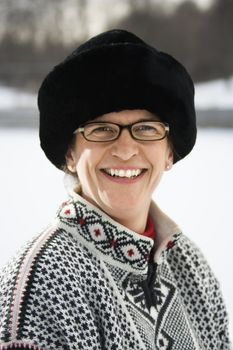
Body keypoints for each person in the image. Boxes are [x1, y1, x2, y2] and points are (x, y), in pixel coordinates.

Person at [0, 29, 231, 350]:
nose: (125, 149)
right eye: (101, 129)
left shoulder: (191, 266)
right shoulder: (43, 285)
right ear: (70, 154)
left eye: (146, 128)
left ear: (168, 153)